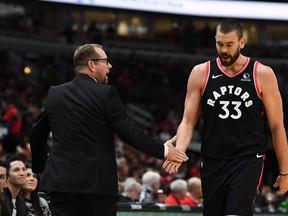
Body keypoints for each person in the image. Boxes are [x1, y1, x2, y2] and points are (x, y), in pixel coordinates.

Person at [29, 43, 188, 216]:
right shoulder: (105, 94)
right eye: (106, 61)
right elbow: (129, 133)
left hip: (60, 183)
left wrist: (40, 167)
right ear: (92, 65)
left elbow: (36, 133)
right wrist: (164, 150)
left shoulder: (55, 93)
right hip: (97, 185)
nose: (109, 66)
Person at [163, 19, 288, 216]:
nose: (224, 50)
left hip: (247, 158)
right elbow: (188, 121)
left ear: (242, 42)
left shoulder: (262, 74)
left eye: (229, 44)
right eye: (220, 44)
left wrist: (284, 171)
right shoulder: (201, 72)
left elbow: (277, 126)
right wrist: (180, 150)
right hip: (213, 159)